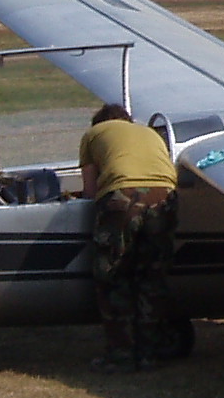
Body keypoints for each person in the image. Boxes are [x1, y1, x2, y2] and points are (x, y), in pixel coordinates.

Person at [77, 103, 180, 372]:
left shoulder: (93, 134)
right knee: (152, 277)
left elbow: (89, 190)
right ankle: (151, 353)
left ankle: (121, 353)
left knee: (112, 276)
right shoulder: (149, 133)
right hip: (165, 195)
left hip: (122, 194)